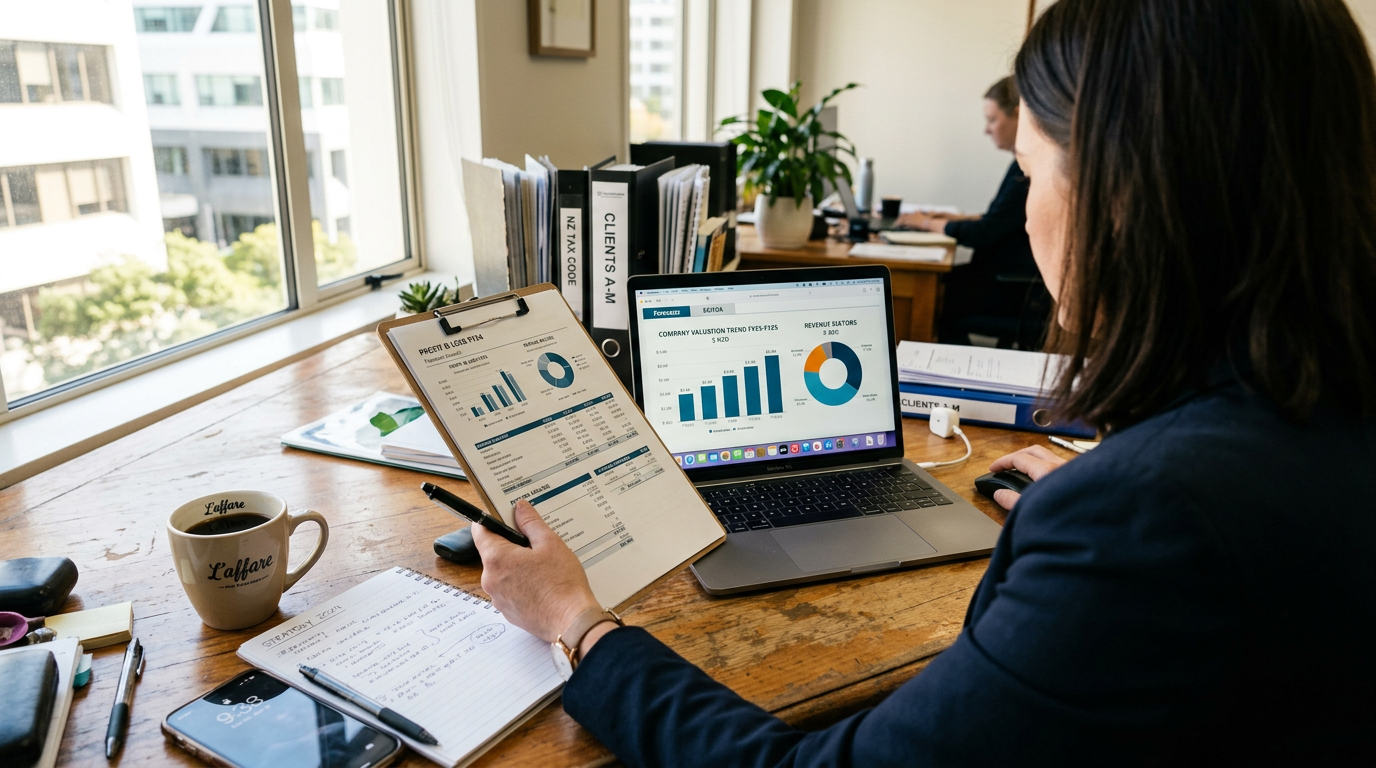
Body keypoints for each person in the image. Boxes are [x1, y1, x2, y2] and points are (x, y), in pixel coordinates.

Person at [473, 0, 1376, 764]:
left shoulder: (1145, 523)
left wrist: (578, 622)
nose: (1024, 213)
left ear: (1125, 193)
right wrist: (1105, 498)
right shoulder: (1308, 424)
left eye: (1028, 171)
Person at [899, 77, 1047, 349]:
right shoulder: (1023, 162)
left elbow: (985, 233)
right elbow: (1000, 220)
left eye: (992, 120)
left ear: (1017, 115)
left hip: (1014, 289)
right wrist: (950, 219)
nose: (986, 130)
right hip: (1006, 276)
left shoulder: (1027, 172)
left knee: (933, 298)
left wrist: (927, 224)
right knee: (943, 284)